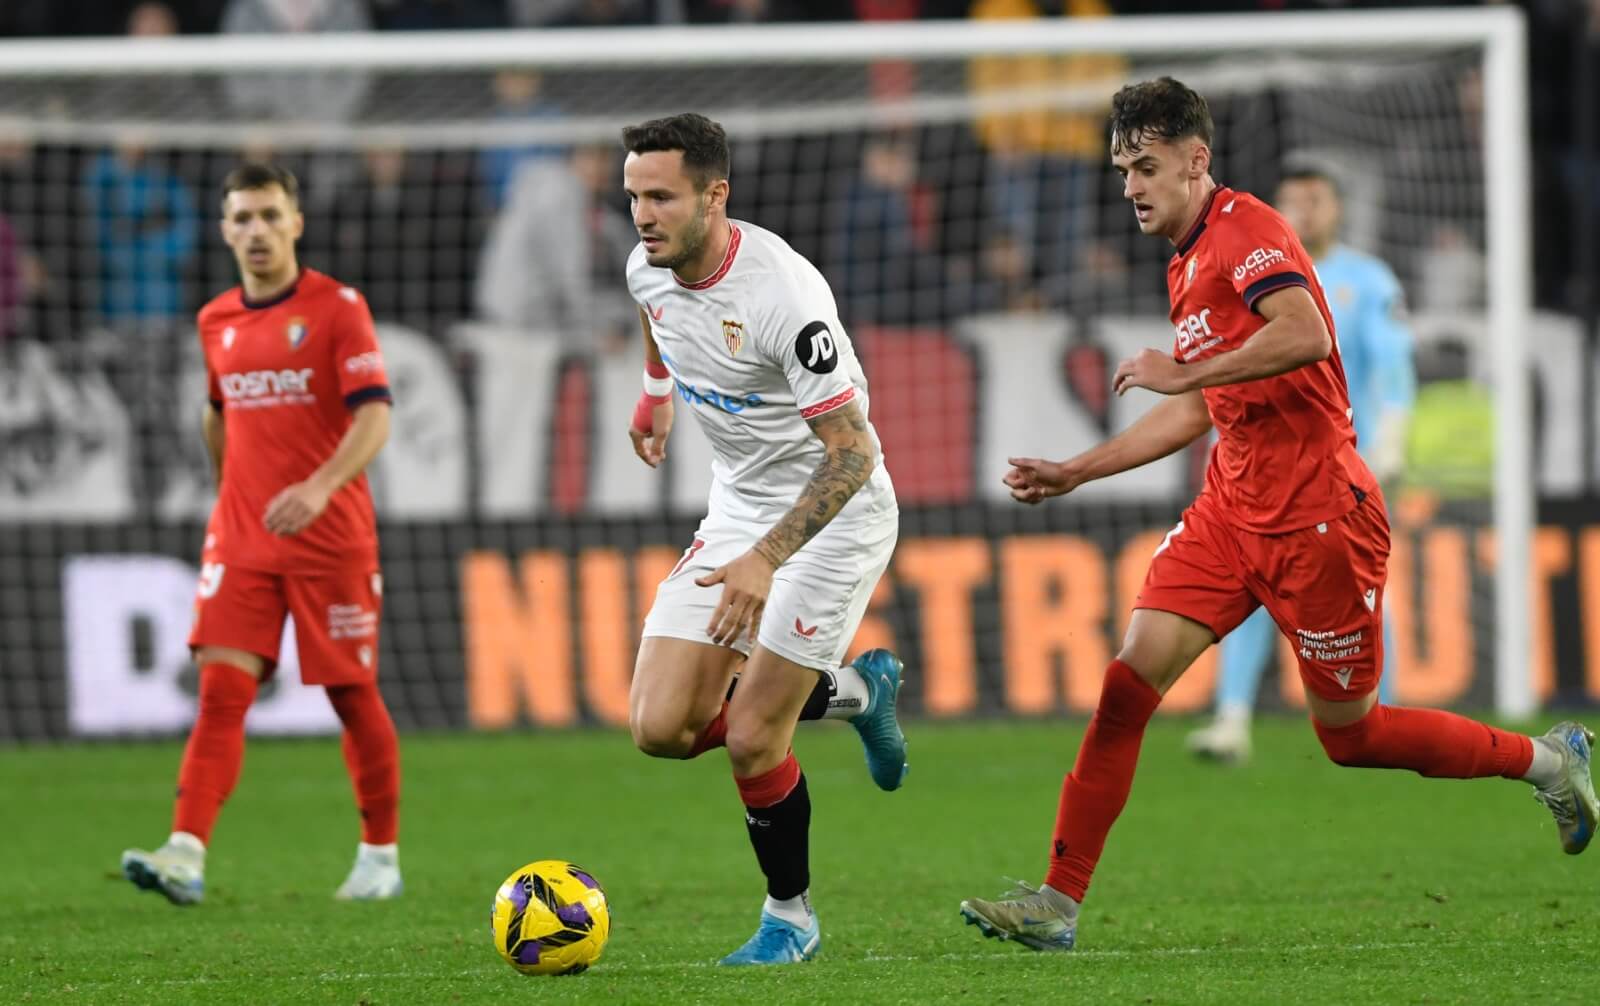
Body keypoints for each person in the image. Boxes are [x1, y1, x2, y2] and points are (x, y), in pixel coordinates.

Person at [957, 77, 1598, 953]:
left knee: (1354, 737)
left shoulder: (1246, 232)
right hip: (1232, 510)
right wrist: (1080, 470)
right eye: (1119, 170)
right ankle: (1058, 902)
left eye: (1145, 167)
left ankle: (1551, 762)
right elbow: (1200, 407)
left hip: (1320, 521)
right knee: (1124, 687)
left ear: (1196, 160)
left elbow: (1305, 333)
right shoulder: (1184, 258)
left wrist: (1183, 371)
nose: (1131, 186)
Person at [622, 113, 908, 965]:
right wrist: (653, 392)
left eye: (662, 196)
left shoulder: (785, 296)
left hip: (836, 517)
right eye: (633, 195)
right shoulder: (649, 265)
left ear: (716, 195)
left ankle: (791, 919)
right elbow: (656, 317)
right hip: (740, 509)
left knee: (751, 736)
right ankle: (856, 693)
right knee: (661, 727)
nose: (642, 214)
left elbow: (855, 452)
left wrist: (767, 559)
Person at [121, 163, 401, 906]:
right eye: (242, 218)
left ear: (296, 223)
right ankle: (185, 851)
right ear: (223, 229)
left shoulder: (338, 308)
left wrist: (317, 486)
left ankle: (379, 856)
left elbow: (375, 414)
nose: (256, 231)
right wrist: (230, 494)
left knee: (351, 694)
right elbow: (217, 410)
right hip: (243, 540)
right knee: (220, 692)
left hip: (331, 538)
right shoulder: (216, 320)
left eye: (269, 216)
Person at [1187, 163, 1416, 763]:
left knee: (1355, 596)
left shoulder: (1368, 281)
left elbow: (1394, 368)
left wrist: (1391, 439)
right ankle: (1231, 718)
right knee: (1253, 586)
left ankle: (1379, 717)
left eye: (1315, 200)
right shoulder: (1247, 272)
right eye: (1292, 201)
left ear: (1338, 208)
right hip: (1262, 470)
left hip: (1342, 469)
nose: (1303, 212)